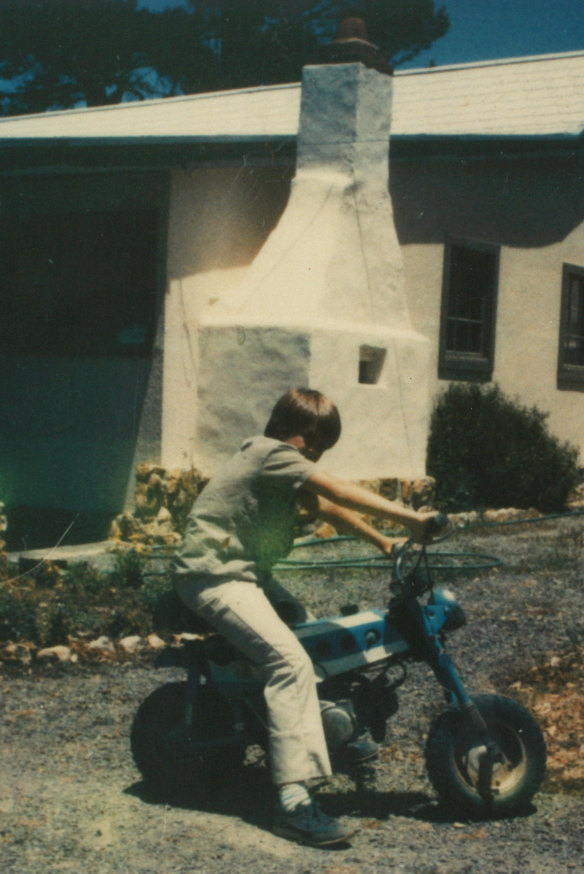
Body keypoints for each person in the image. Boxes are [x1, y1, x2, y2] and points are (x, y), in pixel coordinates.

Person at [174, 388, 442, 847]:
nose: (316, 454)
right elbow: (337, 488)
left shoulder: (281, 465)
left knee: (313, 635)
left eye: (322, 448)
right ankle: (293, 803)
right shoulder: (268, 453)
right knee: (290, 662)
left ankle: (323, 734)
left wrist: (384, 543)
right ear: (289, 430)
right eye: (314, 443)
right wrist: (409, 518)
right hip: (213, 577)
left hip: (244, 575)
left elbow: (330, 507)